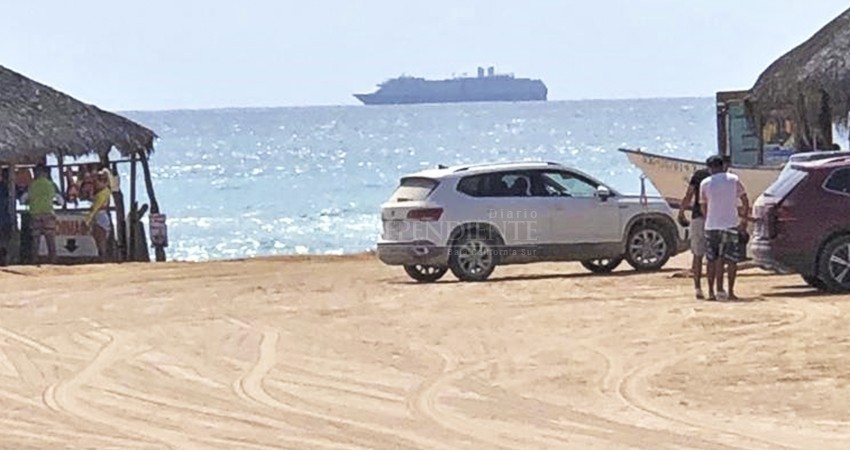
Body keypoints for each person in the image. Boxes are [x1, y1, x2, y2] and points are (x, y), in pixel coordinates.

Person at [700, 155, 749, 301]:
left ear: (709, 168)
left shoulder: (705, 183)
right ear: (723, 166)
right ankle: (731, 291)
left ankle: (711, 291)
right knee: (731, 260)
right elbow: (745, 200)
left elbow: (703, 205)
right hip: (731, 224)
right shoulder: (734, 180)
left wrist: (707, 218)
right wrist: (744, 219)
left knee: (712, 260)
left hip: (712, 225)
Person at [678, 165, 711, 299]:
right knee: (714, 257)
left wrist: (681, 212)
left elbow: (689, 194)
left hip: (698, 216)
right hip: (715, 218)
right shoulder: (724, 177)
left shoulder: (698, 175)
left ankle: (698, 288)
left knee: (697, 254)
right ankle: (713, 289)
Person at [22, 164, 61, 264]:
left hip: (35, 213)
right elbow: (61, 201)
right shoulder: (51, 184)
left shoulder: (32, 185)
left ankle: (34, 259)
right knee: (50, 238)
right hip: (48, 213)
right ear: (46, 173)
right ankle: (53, 260)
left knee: (36, 239)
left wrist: (30, 201)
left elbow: (23, 199)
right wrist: (53, 202)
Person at [84, 170, 112, 262]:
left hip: (100, 216)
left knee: (100, 240)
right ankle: (102, 258)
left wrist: (87, 221)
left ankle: (103, 258)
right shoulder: (104, 191)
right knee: (99, 239)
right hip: (100, 216)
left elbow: (95, 208)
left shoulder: (102, 193)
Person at [0, 169, 12, 265]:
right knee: (4, 241)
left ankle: (3, 259)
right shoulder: (4, 187)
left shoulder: (3, 187)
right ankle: (4, 260)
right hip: (4, 219)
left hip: (4, 219)